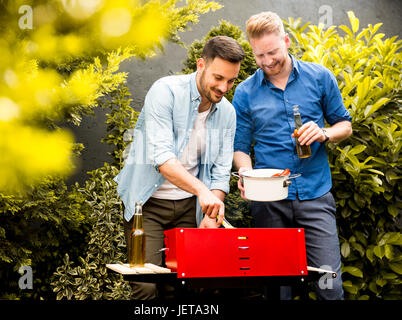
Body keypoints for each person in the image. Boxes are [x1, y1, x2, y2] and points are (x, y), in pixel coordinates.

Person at [114, 36, 245, 299]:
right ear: (200, 65)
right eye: (218, 78)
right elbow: (162, 159)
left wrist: (210, 212)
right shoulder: (165, 91)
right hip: (148, 204)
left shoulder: (228, 113)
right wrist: (202, 192)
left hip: (190, 207)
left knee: (185, 286)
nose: (224, 87)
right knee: (146, 285)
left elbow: (220, 172)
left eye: (231, 81)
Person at [232, 12, 352, 300]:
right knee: (276, 290)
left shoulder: (320, 77)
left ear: (286, 41)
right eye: (259, 55)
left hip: (315, 195)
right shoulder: (245, 92)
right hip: (269, 202)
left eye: (272, 52)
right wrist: (246, 175)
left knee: (329, 286)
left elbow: (345, 126)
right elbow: (240, 147)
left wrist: (324, 133)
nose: (267, 61)